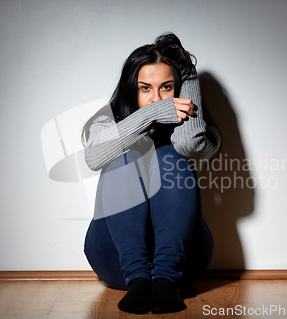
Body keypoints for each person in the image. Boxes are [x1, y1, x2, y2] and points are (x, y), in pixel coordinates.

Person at [81, 33, 221, 314]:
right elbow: (94, 158)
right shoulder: (108, 118)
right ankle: (139, 280)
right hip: (114, 260)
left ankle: (164, 279)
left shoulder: (199, 128)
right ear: (132, 90)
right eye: (145, 88)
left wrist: (189, 73)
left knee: (171, 154)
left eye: (166, 87)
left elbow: (190, 144)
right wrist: (152, 114)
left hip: (183, 264)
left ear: (178, 89)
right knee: (126, 155)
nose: (156, 98)